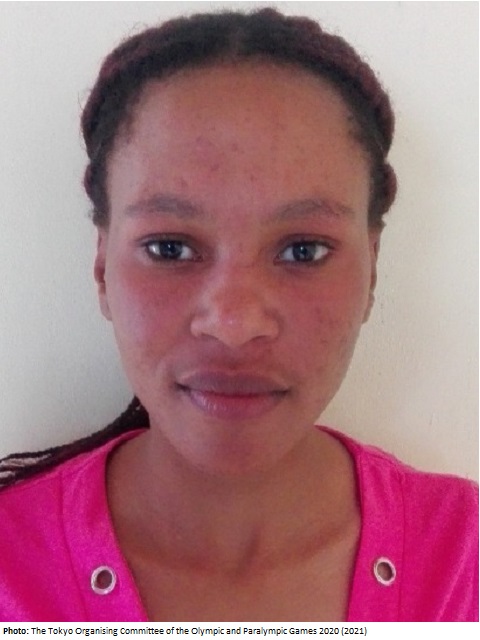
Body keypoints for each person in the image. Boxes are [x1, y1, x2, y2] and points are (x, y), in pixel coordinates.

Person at [0, 8, 477, 623]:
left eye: (303, 251)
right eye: (169, 248)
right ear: (101, 267)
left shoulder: (464, 562)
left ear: (373, 269)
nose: (234, 324)